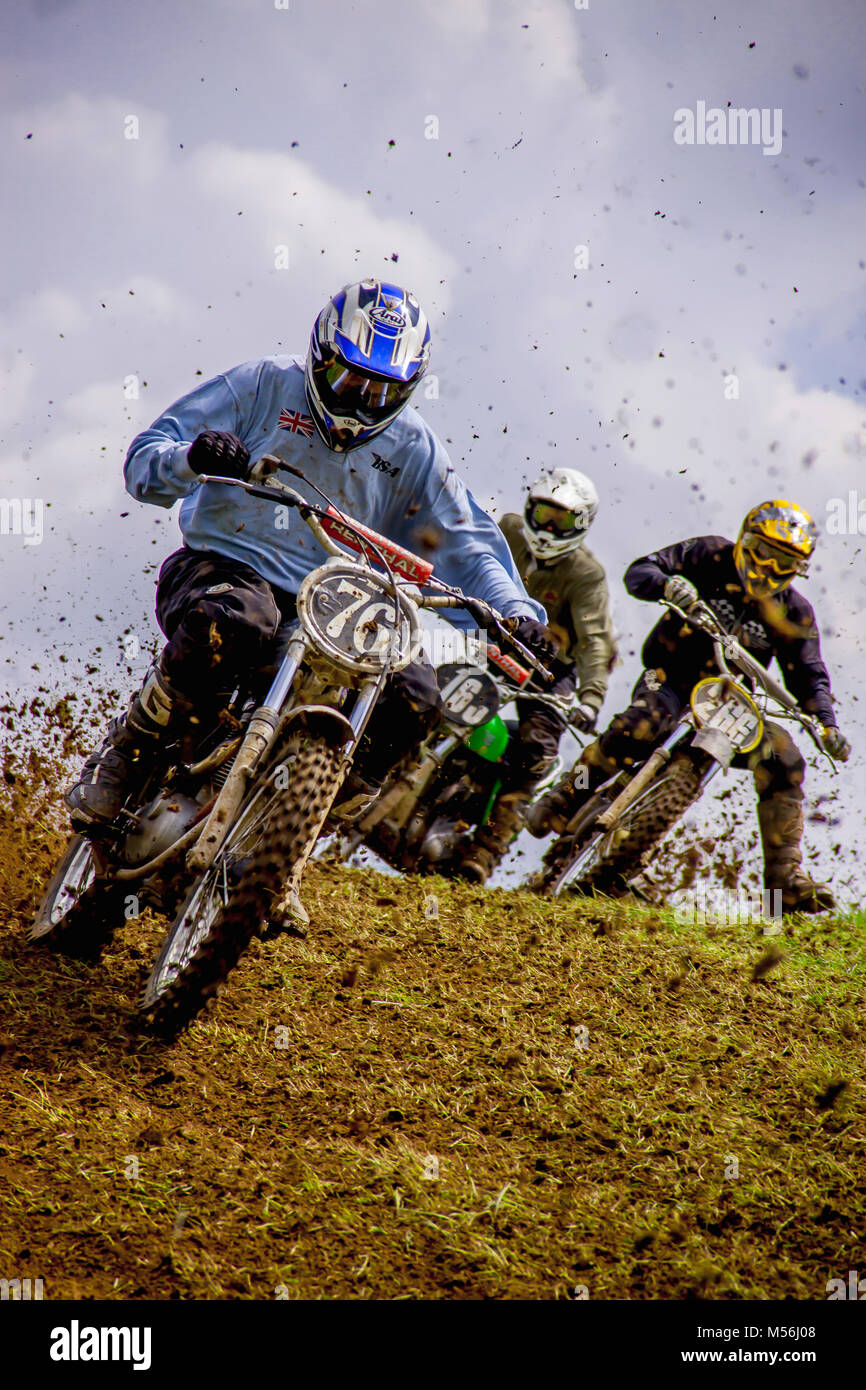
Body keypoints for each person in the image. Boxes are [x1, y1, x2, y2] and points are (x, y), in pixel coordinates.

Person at [65, 278, 553, 831]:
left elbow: (469, 542)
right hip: (225, 567)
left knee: (415, 697)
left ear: (408, 389)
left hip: (338, 600)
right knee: (239, 621)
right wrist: (194, 456)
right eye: (346, 378)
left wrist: (514, 613)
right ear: (319, 355)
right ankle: (127, 754)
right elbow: (146, 461)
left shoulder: (415, 449)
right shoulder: (261, 385)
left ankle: (292, 836)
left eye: (379, 393)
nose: (358, 402)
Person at [527, 500, 851, 913]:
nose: (768, 569)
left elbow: (809, 674)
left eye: (784, 561)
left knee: (785, 757)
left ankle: (785, 880)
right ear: (744, 541)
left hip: (731, 702)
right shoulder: (709, 555)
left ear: (800, 568)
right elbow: (640, 571)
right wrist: (666, 585)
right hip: (669, 679)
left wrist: (826, 724)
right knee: (641, 723)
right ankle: (566, 797)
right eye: (764, 553)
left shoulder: (794, 612)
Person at [456, 467, 615, 884]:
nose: (546, 527)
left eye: (559, 520)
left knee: (537, 750)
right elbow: (463, 555)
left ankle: (485, 851)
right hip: (493, 638)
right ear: (528, 507)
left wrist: (592, 697)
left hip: (551, 671)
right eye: (542, 513)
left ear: (579, 525)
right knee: (428, 692)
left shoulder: (586, 575)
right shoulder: (507, 529)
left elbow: (597, 641)